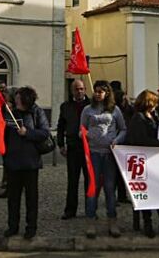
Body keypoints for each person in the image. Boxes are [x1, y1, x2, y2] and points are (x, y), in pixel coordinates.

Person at [125, 90, 159, 238]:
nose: (157, 105)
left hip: (156, 161)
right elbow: (141, 140)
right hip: (144, 161)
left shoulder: (153, 116)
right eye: (155, 102)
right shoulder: (138, 118)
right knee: (147, 194)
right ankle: (147, 223)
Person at [3, 86, 50, 239]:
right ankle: (13, 226)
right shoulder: (11, 112)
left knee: (31, 198)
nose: (14, 100)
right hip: (12, 162)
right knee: (13, 198)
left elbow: (44, 132)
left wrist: (28, 133)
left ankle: (31, 227)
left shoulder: (37, 112)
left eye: (17, 98)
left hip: (30, 162)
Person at [81, 82, 126, 239]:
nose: (98, 94)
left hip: (109, 154)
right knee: (93, 188)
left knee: (109, 187)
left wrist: (117, 140)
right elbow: (82, 127)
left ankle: (112, 221)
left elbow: (123, 129)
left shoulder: (115, 110)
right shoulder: (87, 110)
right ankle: (91, 221)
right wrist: (83, 134)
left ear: (107, 93)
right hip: (93, 154)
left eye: (101, 91)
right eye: (96, 91)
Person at [57, 79, 90, 220]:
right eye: (76, 89)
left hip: (89, 147)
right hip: (73, 146)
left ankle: (90, 209)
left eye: (81, 88)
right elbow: (60, 126)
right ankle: (70, 210)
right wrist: (61, 144)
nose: (79, 91)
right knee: (72, 180)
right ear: (72, 91)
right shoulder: (65, 106)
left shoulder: (92, 105)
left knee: (90, 180)